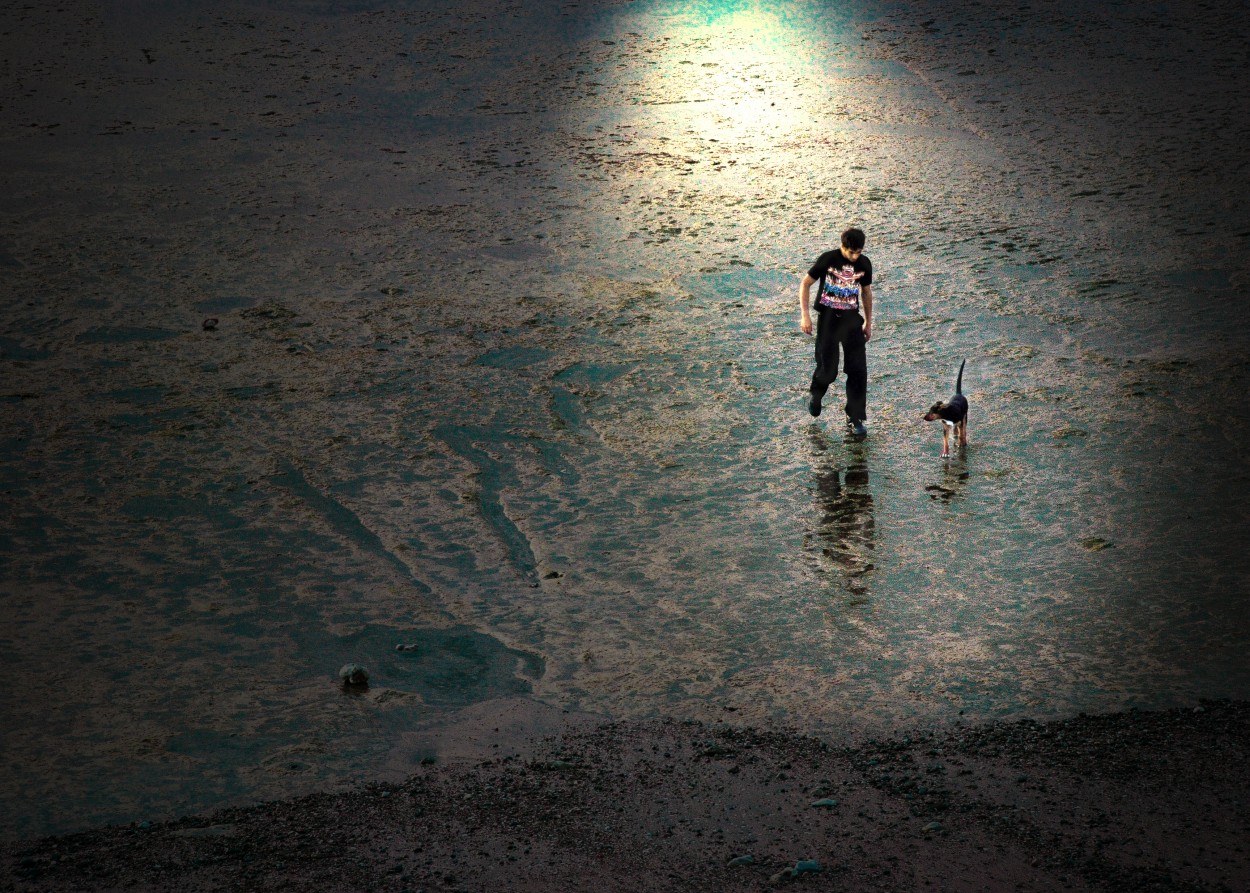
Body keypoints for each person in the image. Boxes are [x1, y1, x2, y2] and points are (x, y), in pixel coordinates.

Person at [799, 227, 873, 435]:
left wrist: (868, 322)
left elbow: (866, 293)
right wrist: (805, 315)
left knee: (858, 370)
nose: (855, 256)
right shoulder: (827, 259)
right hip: (829, 320)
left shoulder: (864, 264)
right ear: (842, 246)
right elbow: (805, 284)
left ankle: (855, 416)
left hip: (851, 320)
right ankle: (816, 394)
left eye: (858, 252)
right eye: (851, 252)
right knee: (828, 369)